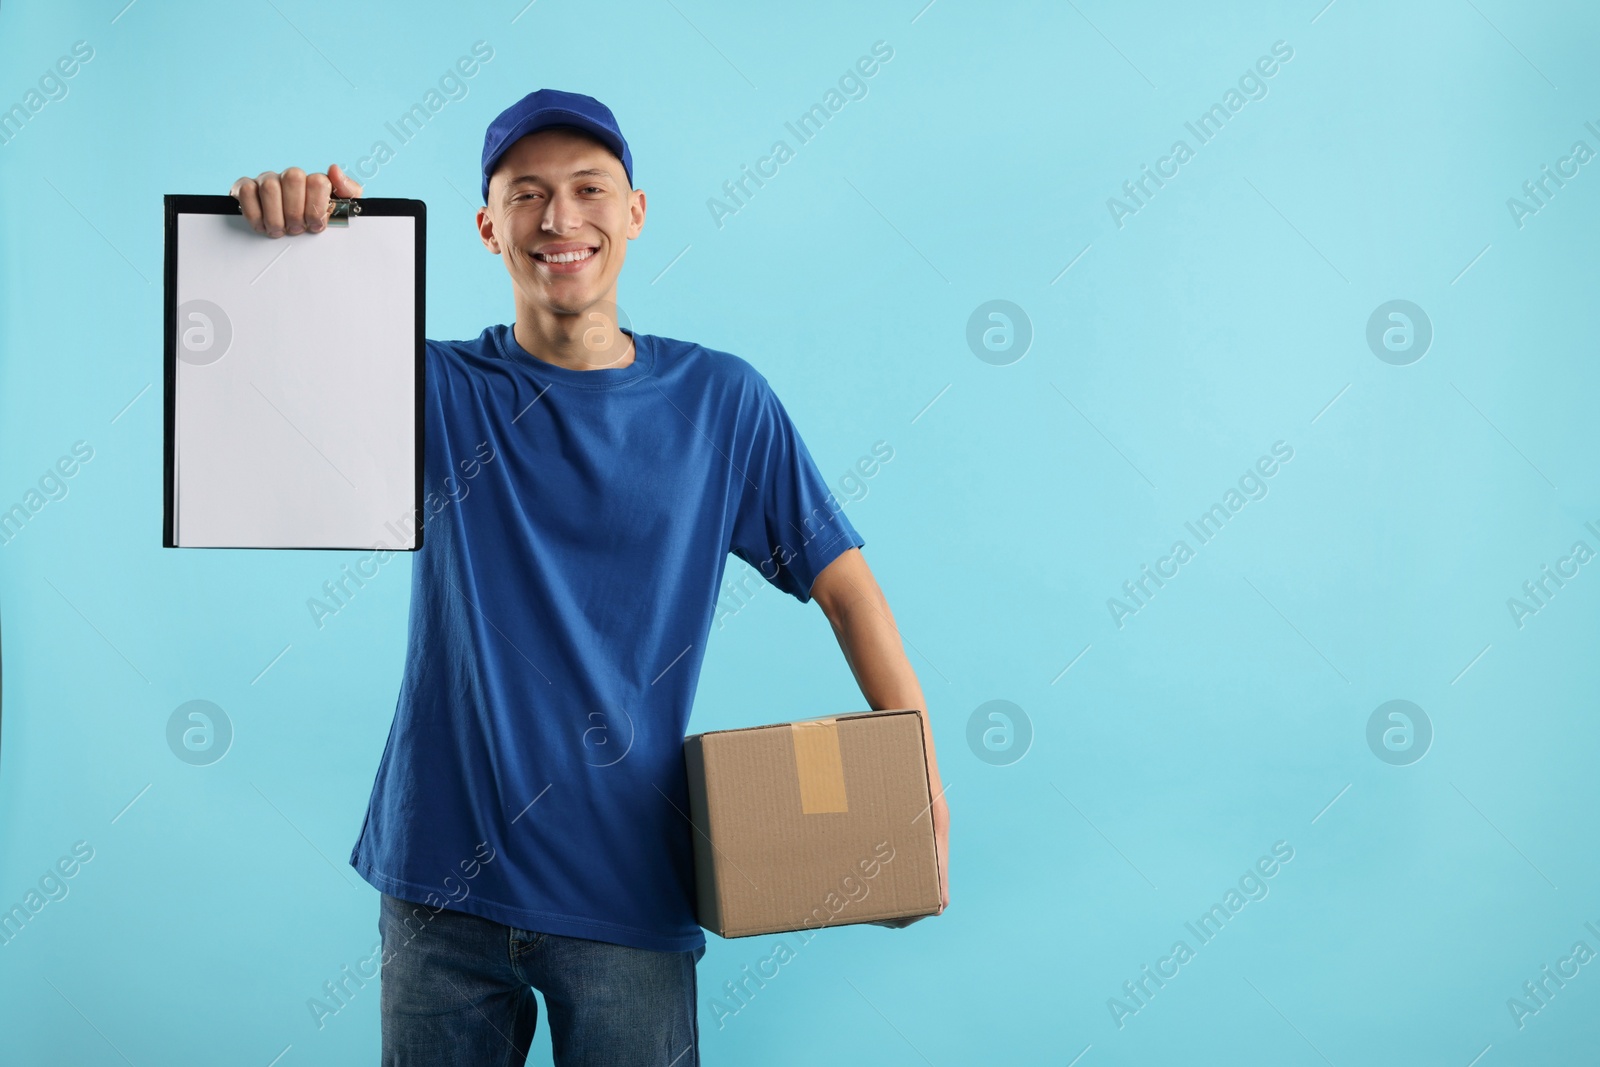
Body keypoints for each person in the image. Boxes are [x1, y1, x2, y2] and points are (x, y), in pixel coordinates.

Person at [229, 88, 949, 1066]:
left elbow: (845, 584)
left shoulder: (718, 402)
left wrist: (917, 782)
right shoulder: (431, 392)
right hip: (441, 882)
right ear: (488, 228)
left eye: (587, 188)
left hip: (626, 885)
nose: (559, 218)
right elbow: (255, 396)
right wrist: (295, 244)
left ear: (635, 212)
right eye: (527, 194)